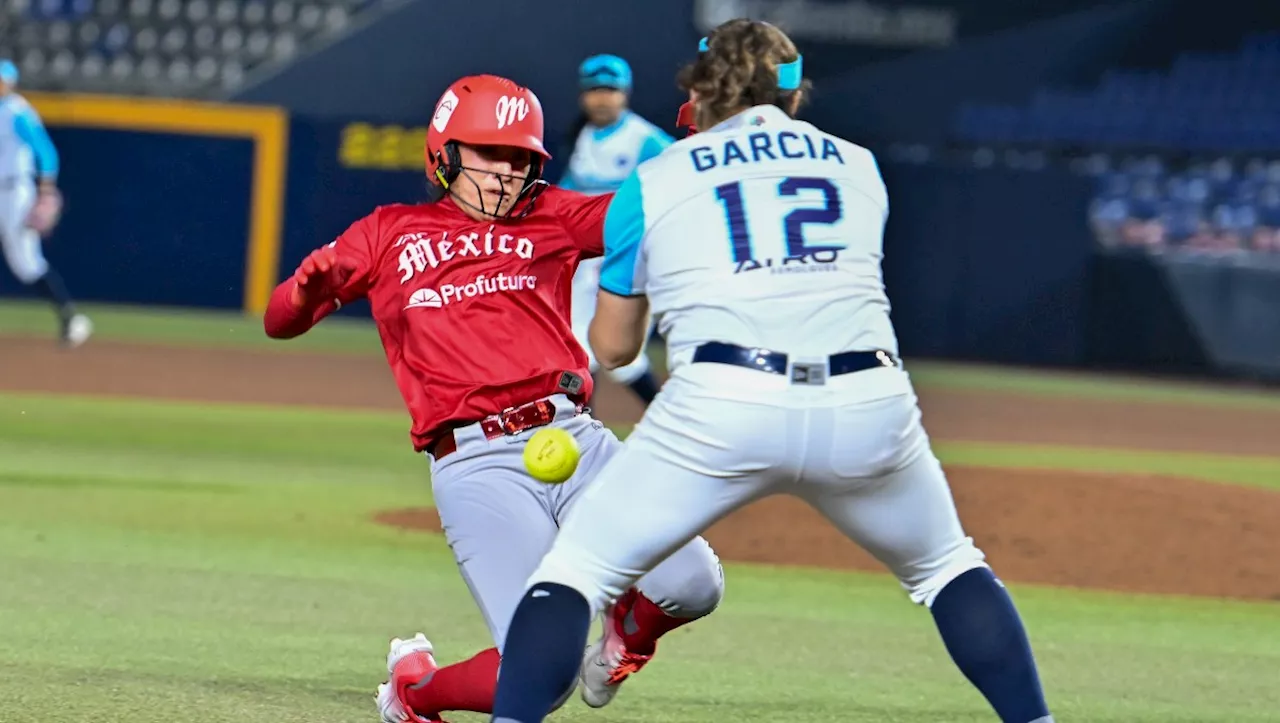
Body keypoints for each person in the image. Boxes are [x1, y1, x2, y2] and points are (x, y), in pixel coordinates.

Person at [487, 20, 1055, 723]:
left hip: (723, 404)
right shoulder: (858, 165)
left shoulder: (654, 178)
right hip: (867, 402)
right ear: (793, 93)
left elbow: (610, 347)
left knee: (573, 575)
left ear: (698, 91)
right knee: (948, 568)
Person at [261, 74, 724, 723]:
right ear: (443, 154)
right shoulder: (391, 232)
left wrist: (711, 146)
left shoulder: (553, 215)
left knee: (693, 583)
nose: (507, 173)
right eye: (489, 154)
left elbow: (650, 206)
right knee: (542, 674)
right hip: (476, 464)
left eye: (520, 159)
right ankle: (414, 692)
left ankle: (624, 634)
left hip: (575, 439)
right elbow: (278, 319)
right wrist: (305, 295)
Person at [559, 54, 670, 407]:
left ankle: (667, 416)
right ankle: (582, 427)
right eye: (595, 90)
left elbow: (679, 181)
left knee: (619, 353)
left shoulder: (646, 139)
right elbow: (569, 192)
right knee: (579, 345)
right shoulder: (585, 136)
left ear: (625, 92)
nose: (602, 97)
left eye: (610, 89)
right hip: (587, 258)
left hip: (627, 254)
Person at [0, 59, 92, 347]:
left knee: (26, 265)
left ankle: (71, 318)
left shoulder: (17, 112)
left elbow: (47, 152)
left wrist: (46, 192)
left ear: (10, 83)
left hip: (15, 192)